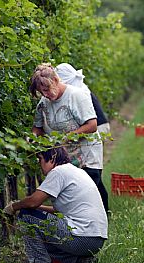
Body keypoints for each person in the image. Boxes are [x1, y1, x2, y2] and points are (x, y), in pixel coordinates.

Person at [3, 146, 108, 263]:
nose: (39, 164)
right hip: (95, 240)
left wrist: (14, 206)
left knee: (26, 215)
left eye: (40, 159)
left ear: (52, 157)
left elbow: (33, 201)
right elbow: (57, 210)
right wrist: (36, 208)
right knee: (40, 229)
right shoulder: (76, 171)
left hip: (82, 237)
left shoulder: (59, 172)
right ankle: (79, 262)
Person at [29, 63, 104, 192]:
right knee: (73, 193)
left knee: (89, 190)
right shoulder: (43, 103)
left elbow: (92, 125)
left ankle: (104, 212)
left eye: (46, 89)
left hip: (86, 154)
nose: (45, 94)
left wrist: (69, 137)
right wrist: (33, 140)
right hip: (65, 157)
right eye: (41, 92)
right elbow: (37, 127)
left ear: (56, 80)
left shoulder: (76, 96)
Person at [54, 63, 110, 214]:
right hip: (98, 127)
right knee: (93, 175)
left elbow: (89, 123)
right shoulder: (79, 86)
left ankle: (97, 212)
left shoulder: (77, 91)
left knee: (91, 174)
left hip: (97, 128)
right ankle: (103, 211)